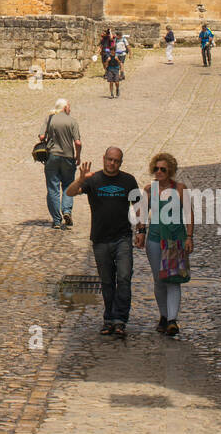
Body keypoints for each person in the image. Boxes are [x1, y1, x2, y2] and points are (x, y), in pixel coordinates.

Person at [66, 147, 139, 338]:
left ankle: (120, 320)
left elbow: (139, 206)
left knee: (123, 278)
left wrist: (142, 230)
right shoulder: (94, 179)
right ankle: (109, 319)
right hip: (100, 239)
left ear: (121, 163)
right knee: (107, 282)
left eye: (116, 161)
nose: (112, 163)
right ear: (104, 159)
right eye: (109, 159)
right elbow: (70, 192)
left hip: (123, 237)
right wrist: (81, 179)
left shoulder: (128, 180)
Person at [133, 151, 193, 338]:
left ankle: (172, 320)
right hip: (155, 239)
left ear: (170, 171)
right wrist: (141, 232)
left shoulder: (180, 189)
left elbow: (189, 215)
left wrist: (189, 237)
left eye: (163, 170)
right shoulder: (149, 190)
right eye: (156, 169)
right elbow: (141, 214)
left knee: (173, 278)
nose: (159, 172)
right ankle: (164, 315)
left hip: (175, 239)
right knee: (159, 279)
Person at [36, 97, 82, 229]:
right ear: (64, 107)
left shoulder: (49, 118)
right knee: (68, 185)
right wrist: (78, 157)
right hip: (68, 157)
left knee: (53, 188)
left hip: (52, 157)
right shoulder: (72, 121)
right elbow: (78, 142)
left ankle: (56, 220)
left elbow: (41, 137)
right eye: (69, 106)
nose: (70, 108)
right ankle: (67, 211)